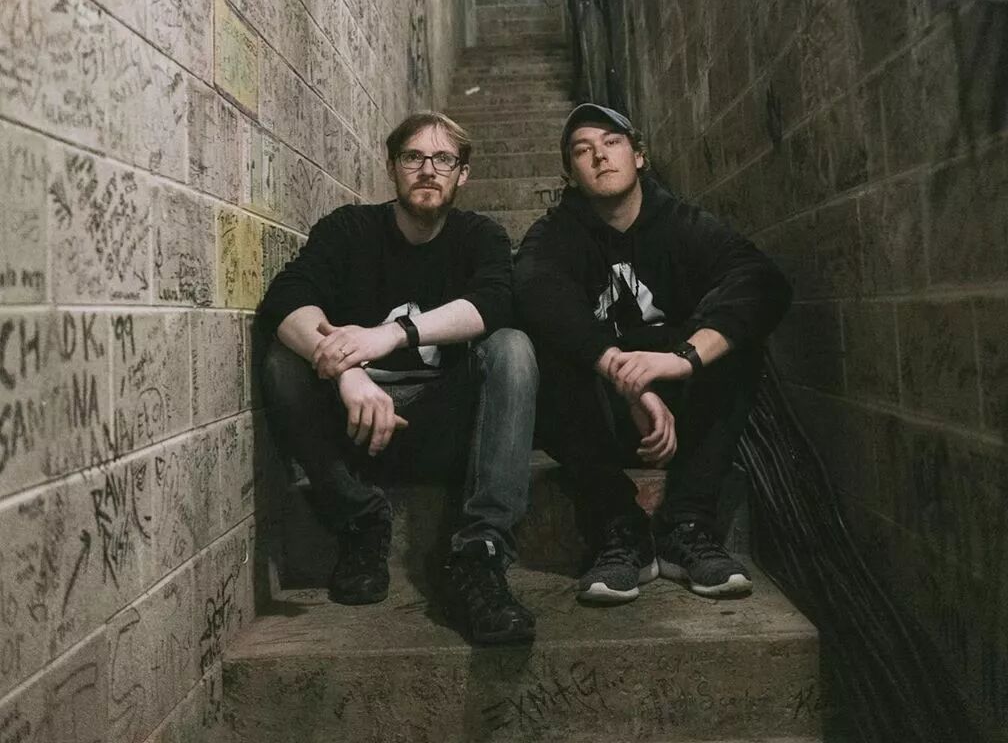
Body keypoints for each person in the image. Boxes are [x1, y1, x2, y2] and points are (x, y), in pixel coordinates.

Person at [258, 111, 538, 645]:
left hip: (442, 426)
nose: (428, 170)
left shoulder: (479, 236)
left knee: (512, 347)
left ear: (463, 174)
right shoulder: (349, 229)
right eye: (413, 157)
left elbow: (494, 303)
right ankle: (360, 517)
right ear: (392, 167)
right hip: (357, 430)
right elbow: (286, 299)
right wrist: (347, 371)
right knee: (282, 360)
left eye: (443, 159)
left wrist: (387, 336)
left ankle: (480, 552)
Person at [514, 103, 791, 606]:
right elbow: (535, 291)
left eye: (612, 142)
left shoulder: (682, 224)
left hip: (685, 420)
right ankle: (620, 527)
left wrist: (682, 359)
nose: (600, 156)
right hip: (601, 421)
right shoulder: (557, 233)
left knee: (735, 341)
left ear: (638, 156)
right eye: (582, 150)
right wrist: (626, 378)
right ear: (570, 173)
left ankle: (687, 524)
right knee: (536, 350)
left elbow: (762, 280)